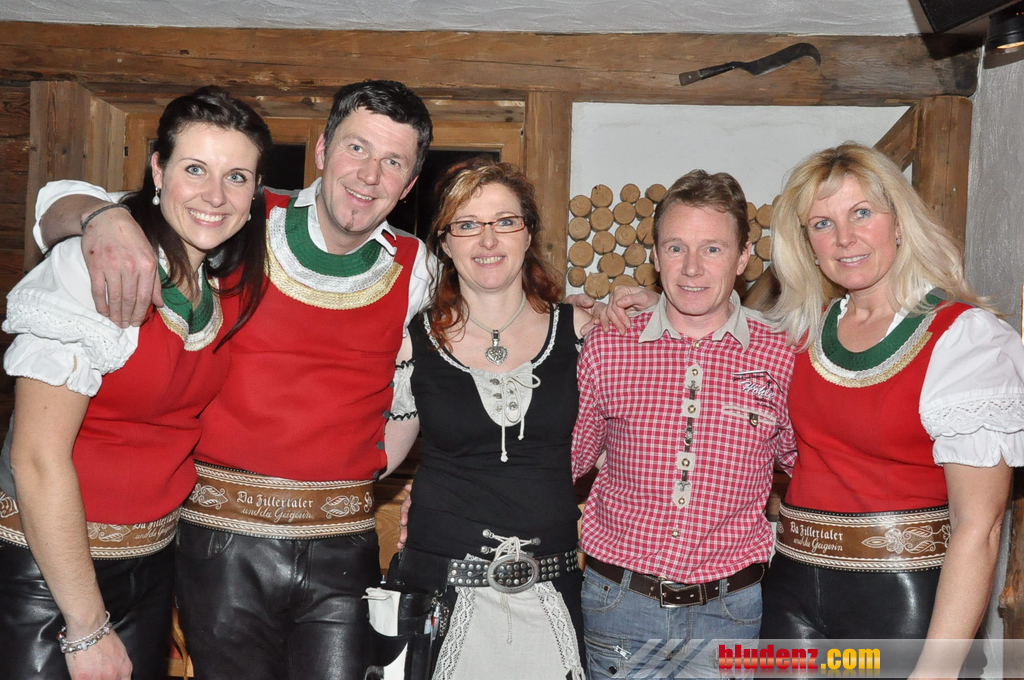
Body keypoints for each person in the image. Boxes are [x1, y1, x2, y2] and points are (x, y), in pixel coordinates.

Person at [30, 79, 435, 680]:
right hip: (221, 541)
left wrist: (575, 311)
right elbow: (54, 207)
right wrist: (102, 217)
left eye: (393, 162)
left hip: (344, 545)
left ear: (409, 184)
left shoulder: (418, 266)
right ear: (323, 149)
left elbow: (470, 341)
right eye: (357, 148)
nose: (370, 175)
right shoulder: (233, 213)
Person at [0, 86, 272, 680]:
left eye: (237, 177)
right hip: (47, 577)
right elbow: (36, 458)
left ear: (256, 193)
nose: (215, 196)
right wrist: (86, 626)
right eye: (194, 169)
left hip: (151, 569)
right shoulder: (98, 268)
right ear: (157, 171)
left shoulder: (220, 285)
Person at [760, 142, 1024, 677]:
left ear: (899, 223)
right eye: (822, 224)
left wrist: (937, 669)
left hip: (903, 599)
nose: (844, 238)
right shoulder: (802, 328)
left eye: (862, 213)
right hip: (789, 590)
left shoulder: (965, 339)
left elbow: (980, 527)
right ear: (807, 244)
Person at [572, 169, 797, 678]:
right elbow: (562, 461)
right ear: (655, 256)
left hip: (730, 611)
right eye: (676, 248)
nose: (692, 268)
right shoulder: (610, 345)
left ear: (743, 257)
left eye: (712, 249)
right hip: (618, 605)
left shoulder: (781, 353)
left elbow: (813, 464)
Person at [383, 158, 589, 680]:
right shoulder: (414, 341)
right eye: (467, 224)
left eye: (505, 221)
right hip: (441, 587)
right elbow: (380, 457)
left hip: (553, 587)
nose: (488, 240)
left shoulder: (583, 333)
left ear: (528, 234)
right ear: (445, 243)